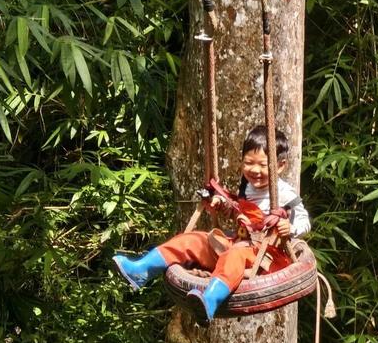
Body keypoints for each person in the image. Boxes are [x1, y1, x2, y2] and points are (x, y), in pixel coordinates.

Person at [113, 125, 311, 320]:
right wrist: (224, 204)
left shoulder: (284, 193)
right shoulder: (246, 187)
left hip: (265, 256)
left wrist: (290, 228)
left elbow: (305, 221)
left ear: (280, 166)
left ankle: (210, 301)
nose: (254, 170)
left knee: (234, 255)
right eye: (248, 163)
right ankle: (142, 270)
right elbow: (242, 213)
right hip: (239, 244)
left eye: (262, 165)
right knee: (192, 240)